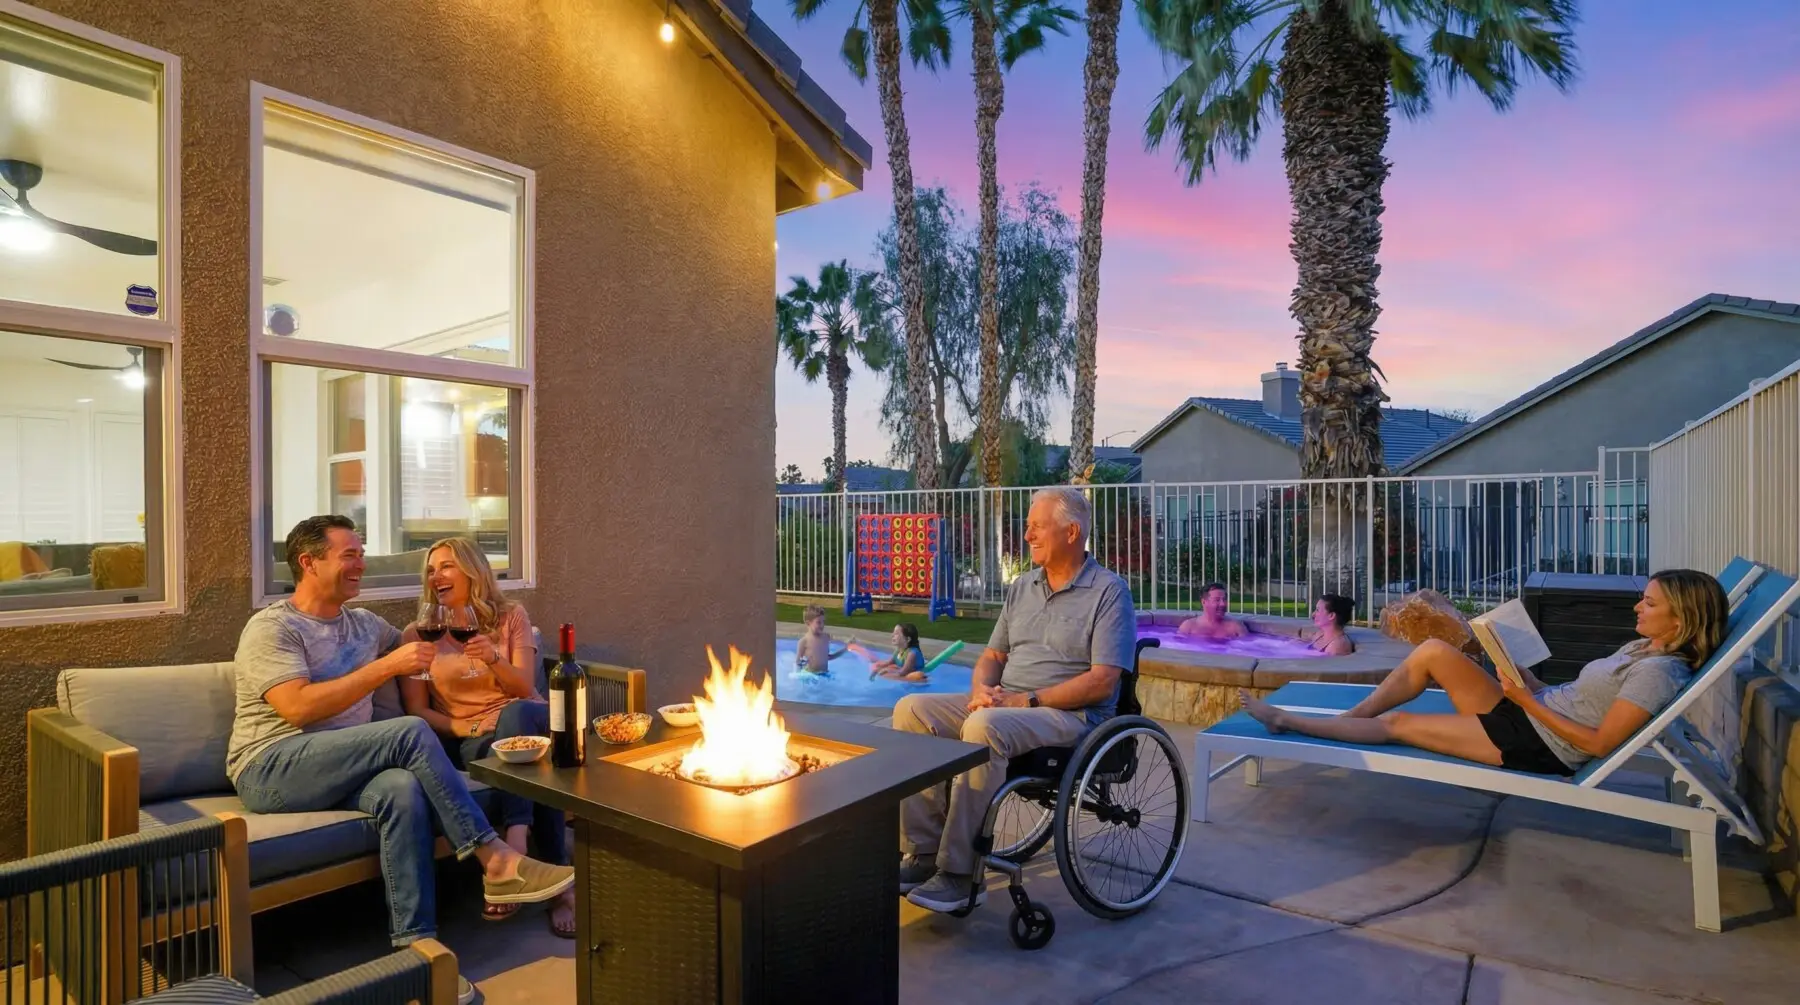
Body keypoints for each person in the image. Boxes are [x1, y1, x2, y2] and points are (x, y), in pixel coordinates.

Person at [229, 516, 574, 1004]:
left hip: (346, 764)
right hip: (272, 766)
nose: (362, 564)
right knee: (409, 732)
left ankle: (416, 953)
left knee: (401, 789)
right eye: (349, 555)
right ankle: (496, 860)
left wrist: (478, 637)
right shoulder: (274, 627)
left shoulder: (366, 625)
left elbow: (433, 638)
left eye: (361, 553)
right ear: (309, 562)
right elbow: (297, 707)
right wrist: (390, 665)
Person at [895, 487, 1136, 912]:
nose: (1027, 536)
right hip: (1011, 705)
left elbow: (1102, 681)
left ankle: (959, 874)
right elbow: (992, 657)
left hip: (1069, 715)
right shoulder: (1022, 587)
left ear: (1072, 532)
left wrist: (1025, 701)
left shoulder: (1109, 592)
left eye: (1037, 526)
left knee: (984, 728)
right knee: (912, 710)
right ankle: (924, 852)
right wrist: (981, 692)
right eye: (1028, 526)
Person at [1239, 569, 1727, 775]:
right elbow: (1581, 697)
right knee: (1434, 649)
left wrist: (1526, 700)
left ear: (1681, 620)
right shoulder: (1643, 646)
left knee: (1401, 726)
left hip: (1540, 743)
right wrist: (1529, 681)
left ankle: (1287, 721)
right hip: (1533, 711)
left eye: (1650, 601)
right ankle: (1356, 714)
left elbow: (1597, 744)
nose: (1638, 604)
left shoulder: (1659, 672)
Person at [398, 536, 575, 938]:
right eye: (430, 569)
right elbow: (417, 711)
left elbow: (524, 687)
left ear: (471, 570)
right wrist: (463, 727)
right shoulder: (418, 633)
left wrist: (491, 656)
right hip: (475, 738)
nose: (436, 576)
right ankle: (560, 886)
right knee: (536, 762)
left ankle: (514, 845)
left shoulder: (509, 616)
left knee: (519, 723)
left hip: (527, 715)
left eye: (446, 566)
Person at [1177, 583, 1248, 640]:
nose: (1223, 604)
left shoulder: (1236, 628)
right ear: (1204, 602)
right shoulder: (1189, 627)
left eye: (1224, 599)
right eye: (1217, 600)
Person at [795, 604, 847, 674]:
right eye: (818, 622)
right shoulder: (804, 641)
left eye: (823, 622)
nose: (822, 625)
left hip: (825, 674)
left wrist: (846, 649)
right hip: (810, 676)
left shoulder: (826, 637)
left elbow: (828, 657)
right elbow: (798, 663)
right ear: (808, 623)